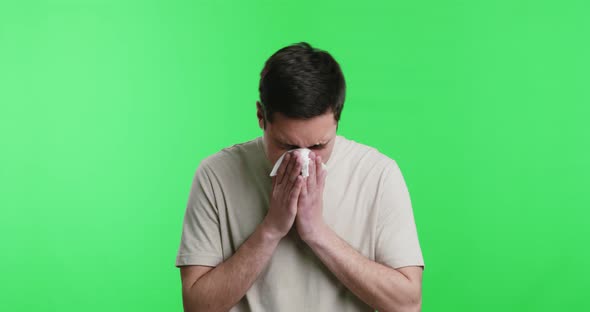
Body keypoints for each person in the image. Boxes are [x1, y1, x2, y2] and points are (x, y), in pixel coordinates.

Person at [175, 42, 425, 312]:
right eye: (288, 146)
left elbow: (407, 303)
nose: (303, 160)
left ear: (337, 120)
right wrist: (271, 229)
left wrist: (317, 233)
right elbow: (197, 306)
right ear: (261, 116)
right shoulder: (216, 175)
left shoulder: (378, 174)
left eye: (318, 146)